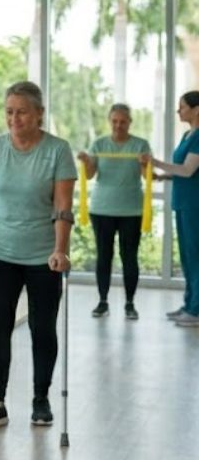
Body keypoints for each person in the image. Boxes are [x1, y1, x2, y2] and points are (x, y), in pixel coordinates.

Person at [0, 81, 76, 430]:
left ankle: (41, 398)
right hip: (0, 253)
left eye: (22, 112)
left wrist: (60, 250)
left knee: (43, 328)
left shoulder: (57, 150)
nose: (14, 118)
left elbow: (63, 208)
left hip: (43, 256)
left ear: (39, 113)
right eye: (9, 112)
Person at [76, 103, 151, 321]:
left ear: (130, 122)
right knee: (104, 257)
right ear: (110, 121)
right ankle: (103, 301)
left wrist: (145, 164)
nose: (118, 125)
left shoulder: (140, 144)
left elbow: (146, 176)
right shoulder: (99, 144)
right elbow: (89, 175)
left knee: (129, 257)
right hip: (102, 209)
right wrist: (86, 161)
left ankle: (130, 303)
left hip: (132, 211)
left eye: (123, 121)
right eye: (115, 121)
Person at [144, 91, 199, 326]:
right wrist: (163, 176)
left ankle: (196, 310)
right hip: (182, 202)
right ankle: (189, 304)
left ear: (196, 110)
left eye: (182, 107)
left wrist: (155, 162)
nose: (179, 111)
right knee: (187, 257)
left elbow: (188, 170)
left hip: (194, 205)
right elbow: (181, 170)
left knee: (196, 256)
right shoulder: (188, 135)